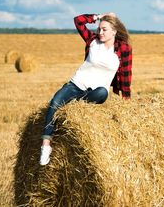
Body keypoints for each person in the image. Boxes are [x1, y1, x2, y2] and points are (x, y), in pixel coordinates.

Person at [39, 12, 132, 165]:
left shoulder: (124, 49)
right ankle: (46, 145)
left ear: (114, 31)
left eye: (104, 29)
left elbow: (127, 76)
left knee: (102, 92)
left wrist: (126, 100)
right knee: (54, 103)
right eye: (99, 29)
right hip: (76, 85)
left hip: (94, 93)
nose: (100, 32)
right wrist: (98, 16)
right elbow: (78, 21)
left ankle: (73, 104)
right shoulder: (92, 41)